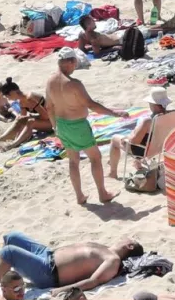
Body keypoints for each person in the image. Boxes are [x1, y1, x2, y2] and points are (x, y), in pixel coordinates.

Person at [47, 48, 126, 206]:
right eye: (75, 62)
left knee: (73, 161)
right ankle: (103, 194)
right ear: (70, 62)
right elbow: (91, 105)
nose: (76, 65)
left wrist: (54, 127)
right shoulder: (74, 84)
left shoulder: (50, 81)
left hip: (61, 125)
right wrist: (114, 113)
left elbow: (49, 107)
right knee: (95, 158)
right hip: (77, 126)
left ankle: (80, 196)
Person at [0, 234, 145, 291]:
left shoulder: (112, 260)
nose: (125, 236)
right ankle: (4, 275)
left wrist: (62, 290)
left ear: (129, 246)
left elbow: (94, 281)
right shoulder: (105, 249)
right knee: (11, 237)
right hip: (47, 253)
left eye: (130, 239)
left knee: (9, 252)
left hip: (49, 272)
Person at [109, 86, 175, 181]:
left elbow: (134, 141)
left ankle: (113, 173)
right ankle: (137, 163)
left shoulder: (148, 121)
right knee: (143, 136)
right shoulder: (173, 115)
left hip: (145, 151)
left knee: (114, 139)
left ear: (153, 104)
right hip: (162, 147)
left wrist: (126, 138)